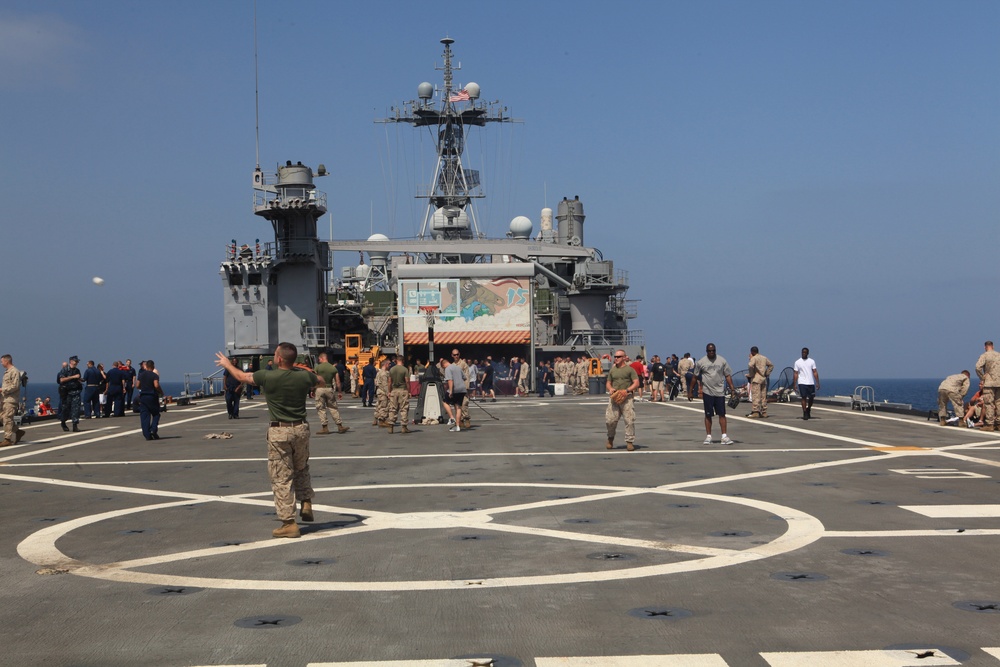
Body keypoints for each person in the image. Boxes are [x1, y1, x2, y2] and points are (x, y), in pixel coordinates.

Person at [215, 343, 323, 539]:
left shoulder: (268, 376)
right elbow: (321, 381)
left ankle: (289, 523)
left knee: (282, 477)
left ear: (280, 359)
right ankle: (306, 501)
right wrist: (303, 371)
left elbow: (241, 377)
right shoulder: (304, 376)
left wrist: (226, 364)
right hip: (301, 429)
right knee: (301, 467)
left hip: (280, 431)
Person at [689, 343, 736, 445]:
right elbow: (695, 377)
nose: (711, 352)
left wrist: (732, 389)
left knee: (722, 414)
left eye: (713, 350)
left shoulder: (722, 361)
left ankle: (724, 436)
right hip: (707, 392)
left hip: (719, 392)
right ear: (706, 351)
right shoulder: (701, 362)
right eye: (709, 351)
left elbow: (727, 375)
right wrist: (690, 391)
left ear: (715, 350)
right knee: (708, 415)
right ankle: (708, 436)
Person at [605, 349, 640, 451]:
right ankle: (610, 438)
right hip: (614, 398)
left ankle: (629, 442)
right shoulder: (613, 370)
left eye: (619, 356)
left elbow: (636, 383)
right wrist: (610, 389)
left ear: (624, 358)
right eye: (615, 357)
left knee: (629, 420)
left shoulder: (630, 370)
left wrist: (627, 390)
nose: (616, 358)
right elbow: (608, 382)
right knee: (610, 420)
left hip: (626, 398)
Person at [313, 351, 348, 434]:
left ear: (322, 358)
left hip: (319, 389)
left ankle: (325, 427)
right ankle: (340, 426)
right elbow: (338, 381)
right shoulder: (333, 368)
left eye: (319, 359)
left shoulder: (318, 368)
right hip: (329, 388)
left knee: (321, 408)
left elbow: (314, 379)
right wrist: (339, 392)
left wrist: (312, 389)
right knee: (333, 407)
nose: (319, 361)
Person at [975, 340, 1000, 432]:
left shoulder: (985, 355)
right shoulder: (999, 355)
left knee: (989, 403)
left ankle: (989, 424)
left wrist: (982, 378)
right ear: (993, 346)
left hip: (989, 383)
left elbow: (978, 367)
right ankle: (999, 423)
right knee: (999, 402)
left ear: (985, 347)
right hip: (999, 383)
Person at [1, 354, 25, 446]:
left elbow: (15, 386)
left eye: (2, 361)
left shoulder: (14, 371)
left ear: (7, 361)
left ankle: (7, 439)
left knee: (7, 418)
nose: (1, 363)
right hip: (5, 399)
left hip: (11, 399)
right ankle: (18, 432)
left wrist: (3, 390)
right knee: (4, 417)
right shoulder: (7, 372)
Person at [137, 360, 163, 440]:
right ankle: (153, 430)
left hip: (143, 397)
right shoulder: (154, 375)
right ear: (153, 366)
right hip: (152, 396)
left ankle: (147, 434)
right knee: (156, 414)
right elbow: (156, 385)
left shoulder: (141, 375)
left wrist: (144, 388)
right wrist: (161, 392)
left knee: (144, 416)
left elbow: (137, 385)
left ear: (146, 366)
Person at [747, 347, 775, 419]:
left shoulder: (754, 358)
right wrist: (767, 373)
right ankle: (764, 411)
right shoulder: (764, 358)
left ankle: (756, 411)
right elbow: (771, 365)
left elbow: (750, 365)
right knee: (763, 396)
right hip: (763, 379)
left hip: (756, 379)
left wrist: (751, 374)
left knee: (756, 395)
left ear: (752, 352)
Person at [57, 356, 84, 432]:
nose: (77, 363)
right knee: (65, 409)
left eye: (77, 361)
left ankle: (75, 425)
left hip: (75, 392)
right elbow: (62, 380)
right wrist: (73, 377)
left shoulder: (77, 370)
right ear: (71, 361)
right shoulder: (64, 370)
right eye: (76, 361)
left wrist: (80, 379)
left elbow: (77, 378)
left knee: (76, 409)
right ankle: (63, 422)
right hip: (67, 393)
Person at [386, 356, 411, 434]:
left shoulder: (392, 369)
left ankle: (391, 426)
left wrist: (389, 391)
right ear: (403, 361)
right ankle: (404, 426)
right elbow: (407, 381)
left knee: (392, 408)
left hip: (394, 390)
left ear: (396, 361)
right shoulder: (405, 369)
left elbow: (389, 382)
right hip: (402, 390)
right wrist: (409, 391)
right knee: (404, 408)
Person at [441, 355, 467, 432]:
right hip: (462, 389)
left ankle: (452, 418)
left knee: (445, 402)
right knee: (458, 406)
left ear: (444, 364)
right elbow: (464, 377)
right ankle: (458, 426)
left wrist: (451, 391)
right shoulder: (458, 367)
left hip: (454, 389)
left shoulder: (448, 369)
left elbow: (450, 380)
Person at [793, 347, 820, 420]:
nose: (803, 354)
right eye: (802, 352)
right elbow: (795, 373)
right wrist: (794, 384)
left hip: (810, 382)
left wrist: (817, 382)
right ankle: (804, 412)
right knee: (803, 397)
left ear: (807, 353)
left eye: (805, 352)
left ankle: (808, 409)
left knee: (811, 398)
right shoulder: (797, 362)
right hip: (802, 382)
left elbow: (814, 371)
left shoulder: (811, 361)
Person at [373, 358, 390, 426]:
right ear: (385, 364)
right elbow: (385, 384)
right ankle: (382, 420)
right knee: (384, 406)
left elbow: (376, 381)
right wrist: (388, 392)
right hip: (383, 391)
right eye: (388, 364)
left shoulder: (379, 372)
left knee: (378, 405)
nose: (389, 365)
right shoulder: (384, 373)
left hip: (379, 391)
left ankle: (375, 418)